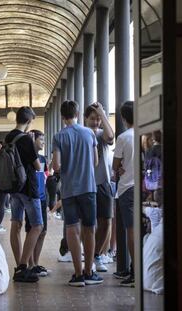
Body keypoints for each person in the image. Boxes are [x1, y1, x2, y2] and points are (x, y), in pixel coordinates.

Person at [52, 100, 103, 287]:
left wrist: (67, 166)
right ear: (78, 113)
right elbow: (96, 161)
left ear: (62, 116)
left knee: (72, 229)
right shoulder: (89, 133)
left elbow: (56, 166)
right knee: (90, 228)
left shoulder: (59, 136)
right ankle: (90, 272)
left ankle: (78, 274)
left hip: (68, 190)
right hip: (88, 187)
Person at [4, 106, 43, 283]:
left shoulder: (8, 137)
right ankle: (22, 266)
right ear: (28, 121)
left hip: (13, 188)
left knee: (16, 224)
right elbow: (38, 166)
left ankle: (20, 265)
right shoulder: (27, 139)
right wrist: (34, 145)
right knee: (37, 225)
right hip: (28, 188)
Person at [84, 102, 115, 273]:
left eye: (98, 119)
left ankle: (96, 255)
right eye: (93, 119)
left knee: (106, 221)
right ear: (85, 119)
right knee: (88, 224)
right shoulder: (82, 134)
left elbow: (111, 137)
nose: (96, 122)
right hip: (86, 184)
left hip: (103, 183)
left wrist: (103, 114)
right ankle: (89, 257)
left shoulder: (102, 134)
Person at [113, 101, 135, 287]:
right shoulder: (145, 134)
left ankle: (135, 271)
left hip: (127, 188)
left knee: (131, 230)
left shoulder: (123, 137)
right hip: (145, 188)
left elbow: (115, 165)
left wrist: (119, 168)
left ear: (123, 118)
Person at [24, 129, 49, 277]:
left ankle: (36, 263)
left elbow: (44, 176)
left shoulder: (43, 158)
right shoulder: (28, 158)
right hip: (32, 197)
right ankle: (30, 263)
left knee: (43, 231)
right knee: (32, 229)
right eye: (40, 139)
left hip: (42, 197)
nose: (43, 142)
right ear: (33, 140)